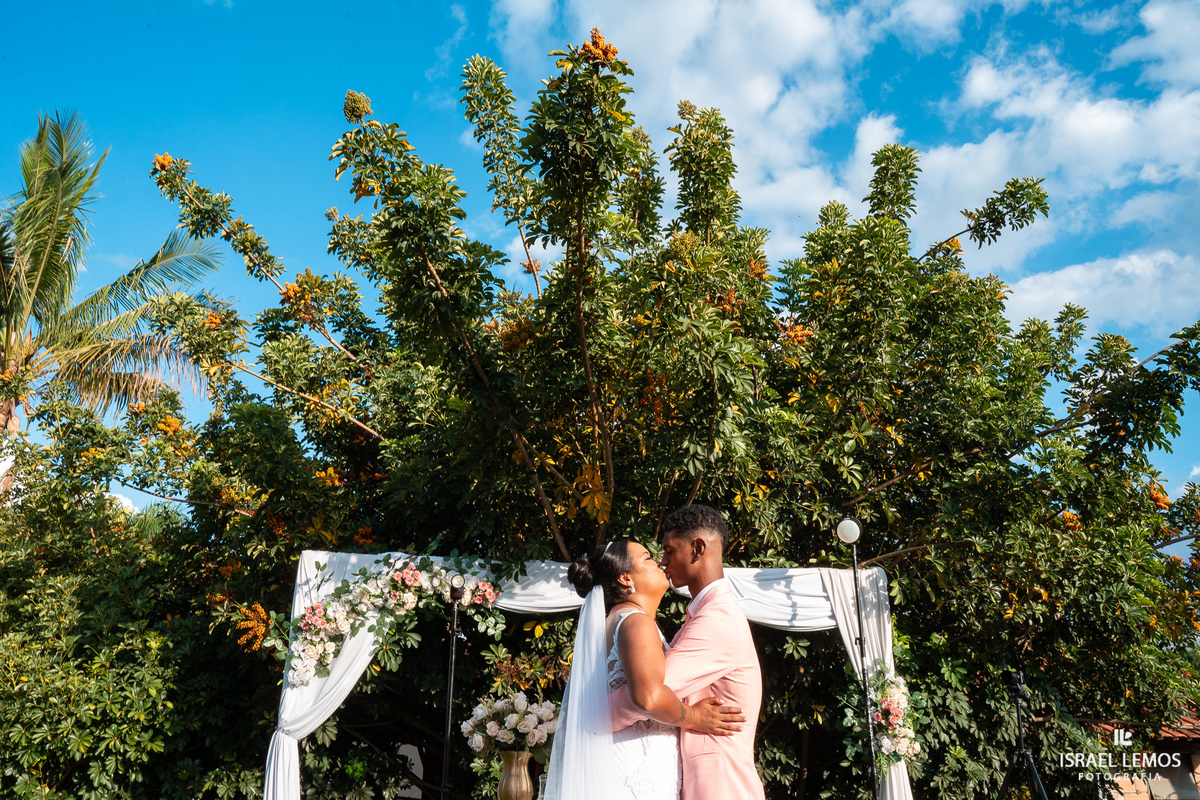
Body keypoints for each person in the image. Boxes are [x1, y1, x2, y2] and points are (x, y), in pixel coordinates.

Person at [542, 538, 744, 800]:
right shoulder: (637, 622)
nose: (659, 562)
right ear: (626, 578)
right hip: (637, 772)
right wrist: (695, 716)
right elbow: (648, 697)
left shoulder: (611, 623)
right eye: (648, 558)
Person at [611, 505, 767, 800]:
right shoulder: (702, 615)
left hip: (722, 785)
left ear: (697, 548)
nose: (663, 561)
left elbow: (649, 695)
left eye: (669, 551)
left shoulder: (718, 619)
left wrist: (593, 712)